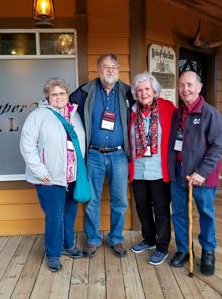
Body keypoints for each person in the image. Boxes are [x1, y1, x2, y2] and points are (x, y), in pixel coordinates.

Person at [70, 54, 133, 257]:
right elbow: (65, 107)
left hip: (118, 155)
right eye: (106, 66)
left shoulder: (128, 92)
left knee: (119, 200)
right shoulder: (84, 93)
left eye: (114, 67)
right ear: (98, 70)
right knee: (92, 200)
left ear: (119, 70)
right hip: (94, 155)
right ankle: (93, 239)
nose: (110, 70)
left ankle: (116, 238)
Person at [20, 78, 86, 272]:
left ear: (67, 95)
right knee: (55, 216)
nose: (58, 97)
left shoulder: (74, 114)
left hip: (72, 176)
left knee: (70, 212)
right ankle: (53, 253)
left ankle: (68, 245)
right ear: (47, 97)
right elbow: (27, 145)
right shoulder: (38, 115)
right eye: (54, 94)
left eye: (62, 93)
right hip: (49, 177)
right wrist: (40, 170)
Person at [168, 71, 222, 276]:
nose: (185, 89)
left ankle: (208, 251)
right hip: (178, 174)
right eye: (182, 85)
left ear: (199, 87)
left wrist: (201, 172)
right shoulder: (177, 113)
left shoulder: (210, 114)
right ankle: (184, 250)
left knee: (206, 215)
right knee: (180, 215)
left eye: (190, 85)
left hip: (202, 178)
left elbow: (218, 147)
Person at [128, 72, 175, 265]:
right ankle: (148, 239)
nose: (143, 92)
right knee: (142, 207)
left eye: (147, 89)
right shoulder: (131, 111)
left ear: (154, 90)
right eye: (139, 90)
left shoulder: (167, 108)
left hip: (159, 170)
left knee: (162, 209)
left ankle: (162, 246)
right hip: (138, 170)